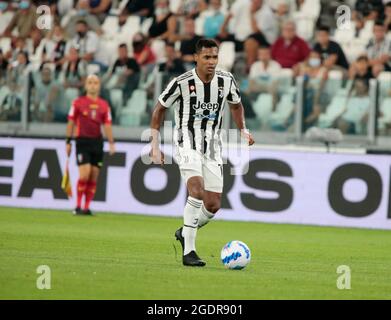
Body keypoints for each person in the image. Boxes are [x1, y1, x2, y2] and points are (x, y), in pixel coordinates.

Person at [149, 39, 255, 266]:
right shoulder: (181, 83)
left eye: (214, 57)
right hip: (187, 141)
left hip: (214, 146)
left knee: (213, 204)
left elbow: (236, 105)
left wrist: (243, 130)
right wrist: (155, 146)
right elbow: (159, 109)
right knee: (195, 190)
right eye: (206, 57)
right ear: (196, 58)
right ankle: (189, 252)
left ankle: (184, 231)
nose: (211, 62)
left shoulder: (226, 80)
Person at [65, 74, 115, 215]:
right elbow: (70, 122)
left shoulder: (104, 105)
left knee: (94, 175)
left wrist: (111, 143)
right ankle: (77, 206)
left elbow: (107, 124)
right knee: (84, 174)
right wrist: (68, 141)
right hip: (82, 141)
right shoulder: (78, 103)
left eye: (95, 82)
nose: (93, 85)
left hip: (97, 143)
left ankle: (86, 207)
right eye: (90, 82)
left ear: (99, 86)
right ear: (86, 85)